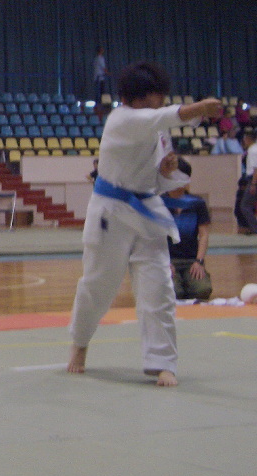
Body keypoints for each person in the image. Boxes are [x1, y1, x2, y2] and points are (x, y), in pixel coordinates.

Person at [67, 61, 222, 387]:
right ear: (136, 98)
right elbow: (157, 118)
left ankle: (162, 363)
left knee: (159, 289)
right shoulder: (121, 119)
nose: (160, 102)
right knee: (98, 286)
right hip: (111, 214)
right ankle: (79, 344)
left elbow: (160, 177)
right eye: (156, 96)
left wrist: (165, 172)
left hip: (148, 213)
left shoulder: (156, 128)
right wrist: (197, 109)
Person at [162, 157, 212, 300]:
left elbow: (203, 235)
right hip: (169, 261)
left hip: (191, 260)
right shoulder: (159, 203)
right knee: (174, 293)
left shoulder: (197, 203)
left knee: (203, 290)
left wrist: (199, 262)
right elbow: (154, 238)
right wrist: (164, 263)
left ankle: (189, 282)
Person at [238, 128, 257, 234]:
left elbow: (256, 169)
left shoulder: (253, 151)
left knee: (245, 205)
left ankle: (255, 228)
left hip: (254, 179)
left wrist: (253, 184)